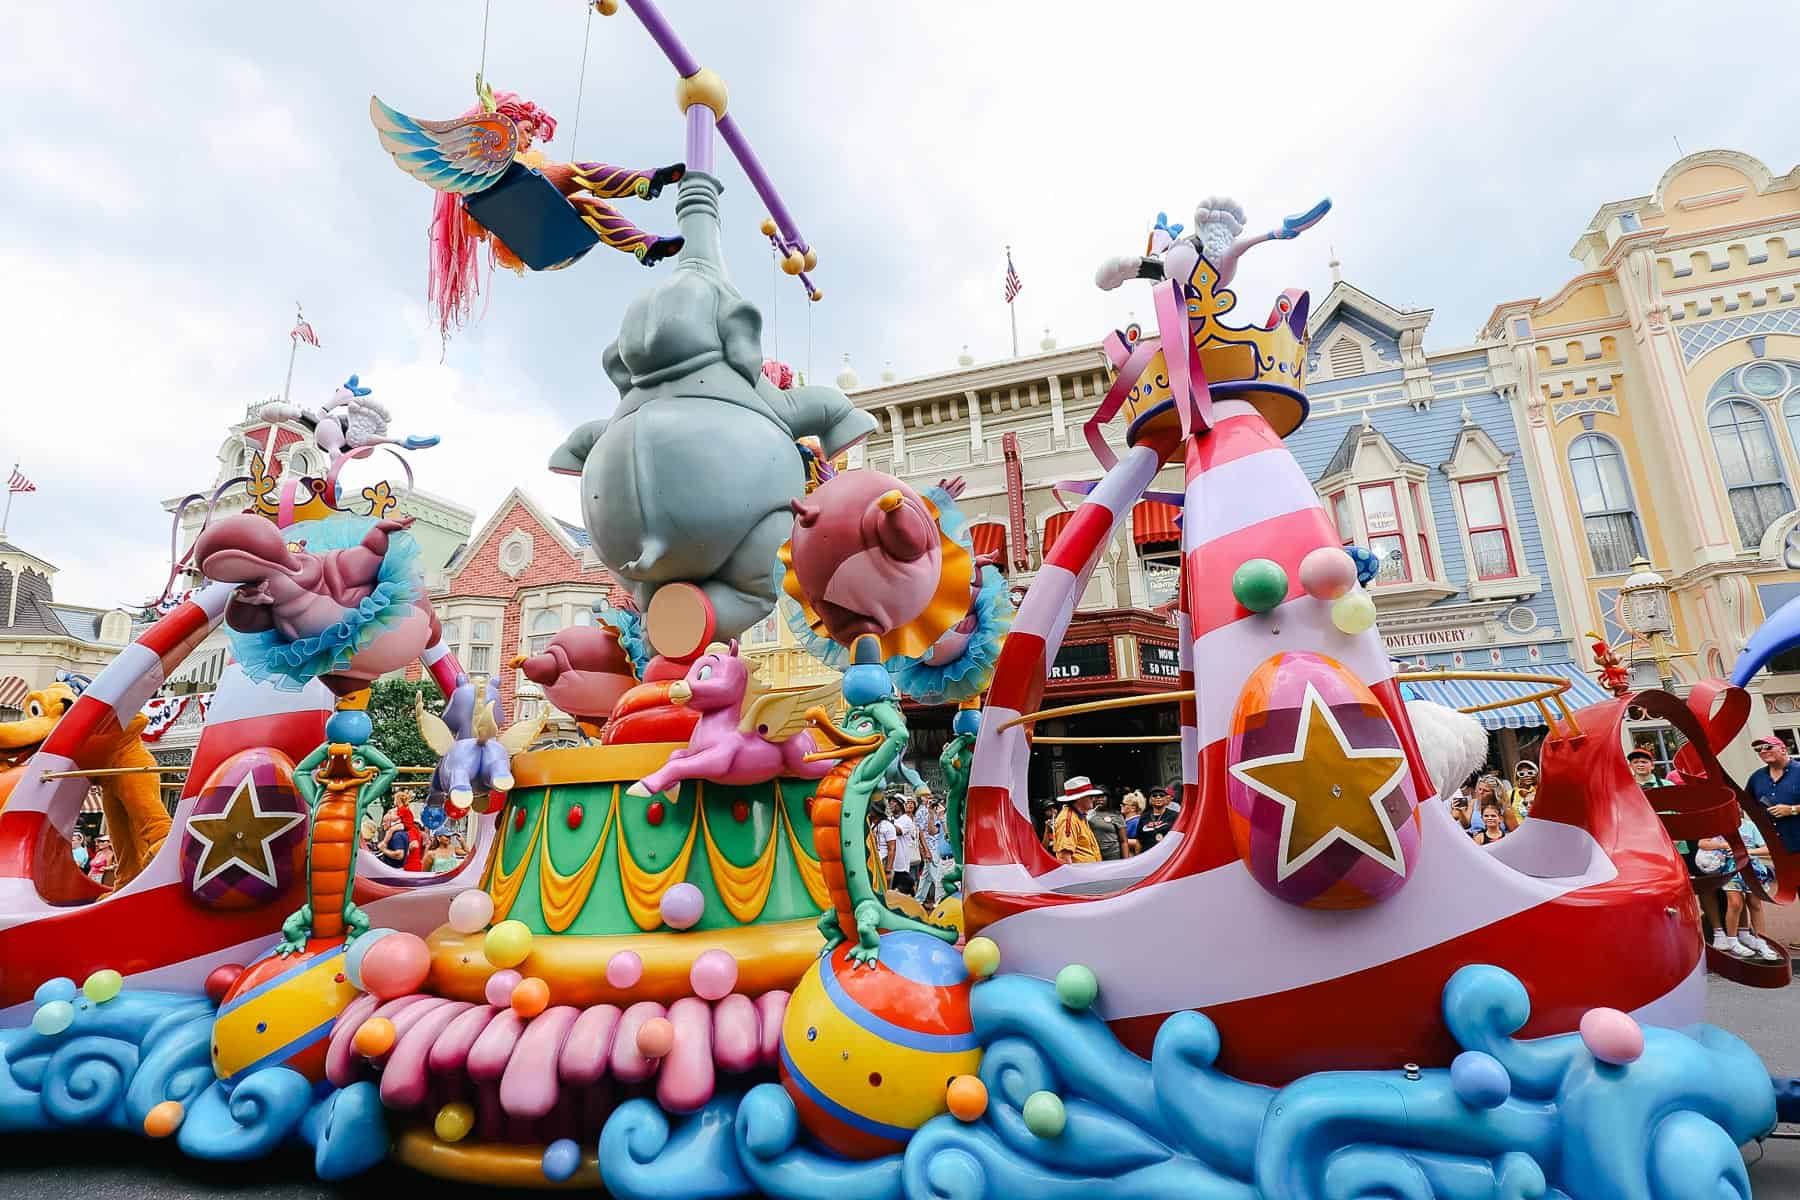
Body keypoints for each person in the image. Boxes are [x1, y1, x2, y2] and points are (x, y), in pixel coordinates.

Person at [1697, 808, 1781, 961]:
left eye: (1738, 807)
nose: (1735, 810)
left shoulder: (1750, 826)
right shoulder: (1717, 826)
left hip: (1752, 869)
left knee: (1755, 903)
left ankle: (1762, 942)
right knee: (1735, 903)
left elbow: (1768, 849)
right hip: (1730, 870)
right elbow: (1702, 843)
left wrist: (1749, 852)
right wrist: (1722, 846)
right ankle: (1732, 941)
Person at [1746, 735, 1800, 856]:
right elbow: (1747, 805)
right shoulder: (1756, 777)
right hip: (1777, 848)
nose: (1763, 751)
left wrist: (1792, 810)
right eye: (1758, 749)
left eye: (1767, 747)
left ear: (1783, 749)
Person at [1045, 776, 1104, 864]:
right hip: (1082, 875)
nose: (1093, 799)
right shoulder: (1068, 819)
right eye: (1090, 796)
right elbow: (1064, 858)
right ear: (1078, 798)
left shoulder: (1078, 816)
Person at [889, 795, 921, 895]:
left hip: (900, 866)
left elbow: (897, 831)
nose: (891, 804)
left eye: (894, 802)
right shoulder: (889, 819)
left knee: (900, 895)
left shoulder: (906, 820)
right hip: (889, 865)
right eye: (890, 802)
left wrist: (884, 822)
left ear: (901, 805)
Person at [1136, 786, 1180, 853]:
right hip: (1147, 855)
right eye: (1154, 795)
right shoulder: (1144, 817)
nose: (1158, 797)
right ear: (1150, 799)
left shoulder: (1175, 815)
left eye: (1161, 795)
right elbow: (1139, 840)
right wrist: (1138, 857)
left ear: (1166, 799)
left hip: (1167, 854)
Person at [1087, 791, 1130, 860]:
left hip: (1113, 855)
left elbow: (1123, 841)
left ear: (1108, 798)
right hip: (1094, 854)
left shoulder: (1116, 815)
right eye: (1097, 797)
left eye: (1102, 797)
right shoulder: (1087, 814)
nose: (1099, 799)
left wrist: (1126, 861)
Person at [870, 799, 899, 891]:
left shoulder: (887, 826)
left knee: (883, 890)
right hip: (871, 861)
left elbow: (892, 849)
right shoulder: (867, 824)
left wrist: (888, 869)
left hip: (883, 862)